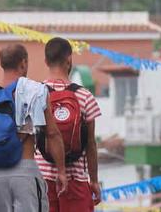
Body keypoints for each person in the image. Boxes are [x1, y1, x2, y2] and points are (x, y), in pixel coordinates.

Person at [0, 43, 66, 212]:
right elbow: (52, 134)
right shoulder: (35, 91)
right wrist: (61, 171)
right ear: (23, 63)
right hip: (24, 170)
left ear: (2, 64)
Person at [38, 38, 100, 212]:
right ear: (69, 59)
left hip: (43, 182)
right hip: (76, 181)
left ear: (46, 61)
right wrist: (93, 181)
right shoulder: (84, 96)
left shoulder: (36, 94)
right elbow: (90, 144)